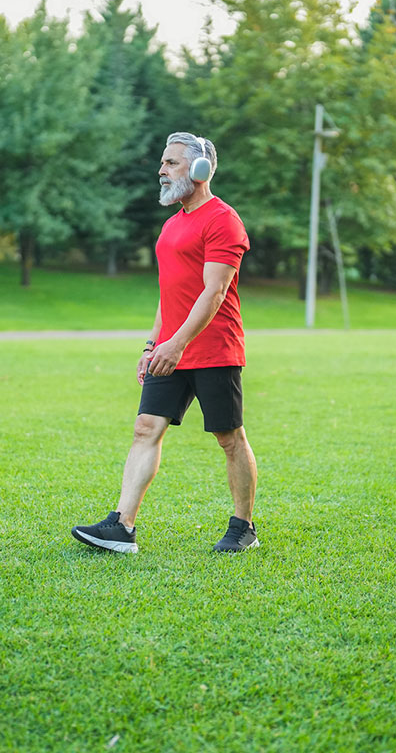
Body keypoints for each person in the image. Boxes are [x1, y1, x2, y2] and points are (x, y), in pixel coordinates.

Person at [72, 132, 258, 554]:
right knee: (145, 429)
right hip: (170, 348)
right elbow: (169, 292)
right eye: (163, 162)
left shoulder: (223, 220)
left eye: (171, 163)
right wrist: (153, 345)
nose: (161, 170)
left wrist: (176, 345)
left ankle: (244, 526)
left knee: (229, 437)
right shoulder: (172, 224)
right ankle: (123, 527)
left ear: (200, 170)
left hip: (214, 348)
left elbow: (213, 292)